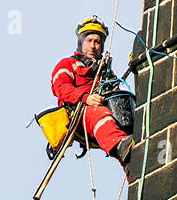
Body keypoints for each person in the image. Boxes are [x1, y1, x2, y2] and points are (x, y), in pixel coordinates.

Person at [50, 17, 133, 170]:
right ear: (81, 43)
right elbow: (61, 88)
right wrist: (86, 98)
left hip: (105, 116)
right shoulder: (68, 64)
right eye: (89, 40)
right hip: (79, 113)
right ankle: (119, 144)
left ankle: (133, 167)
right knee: (98, 112)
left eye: (97, 42)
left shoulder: (105, 73)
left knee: (129, 117)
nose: (93, 46)